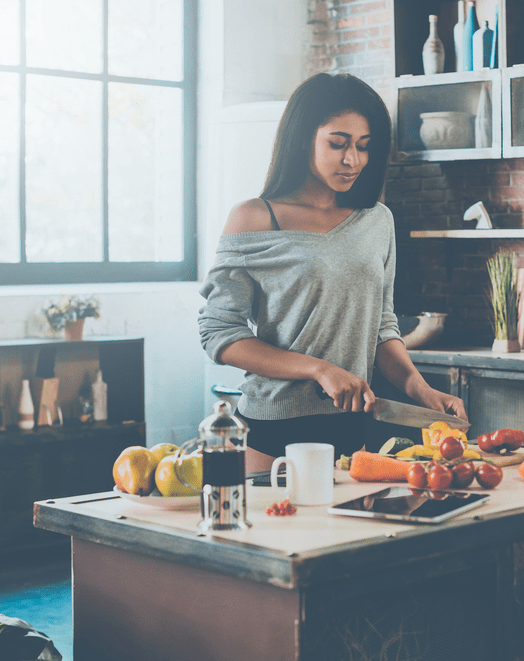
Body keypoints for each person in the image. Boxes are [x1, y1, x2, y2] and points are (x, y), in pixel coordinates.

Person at [198, 72, 467, 471]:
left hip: (353, 426)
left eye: (364, 146)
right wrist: (319, 370)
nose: (352, 159)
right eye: (337, 143)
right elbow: (219, 333)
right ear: (302, 138)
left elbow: (381, 327)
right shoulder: (254, 217)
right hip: (271, 430)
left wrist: (421, 390)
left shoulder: (377, 220)